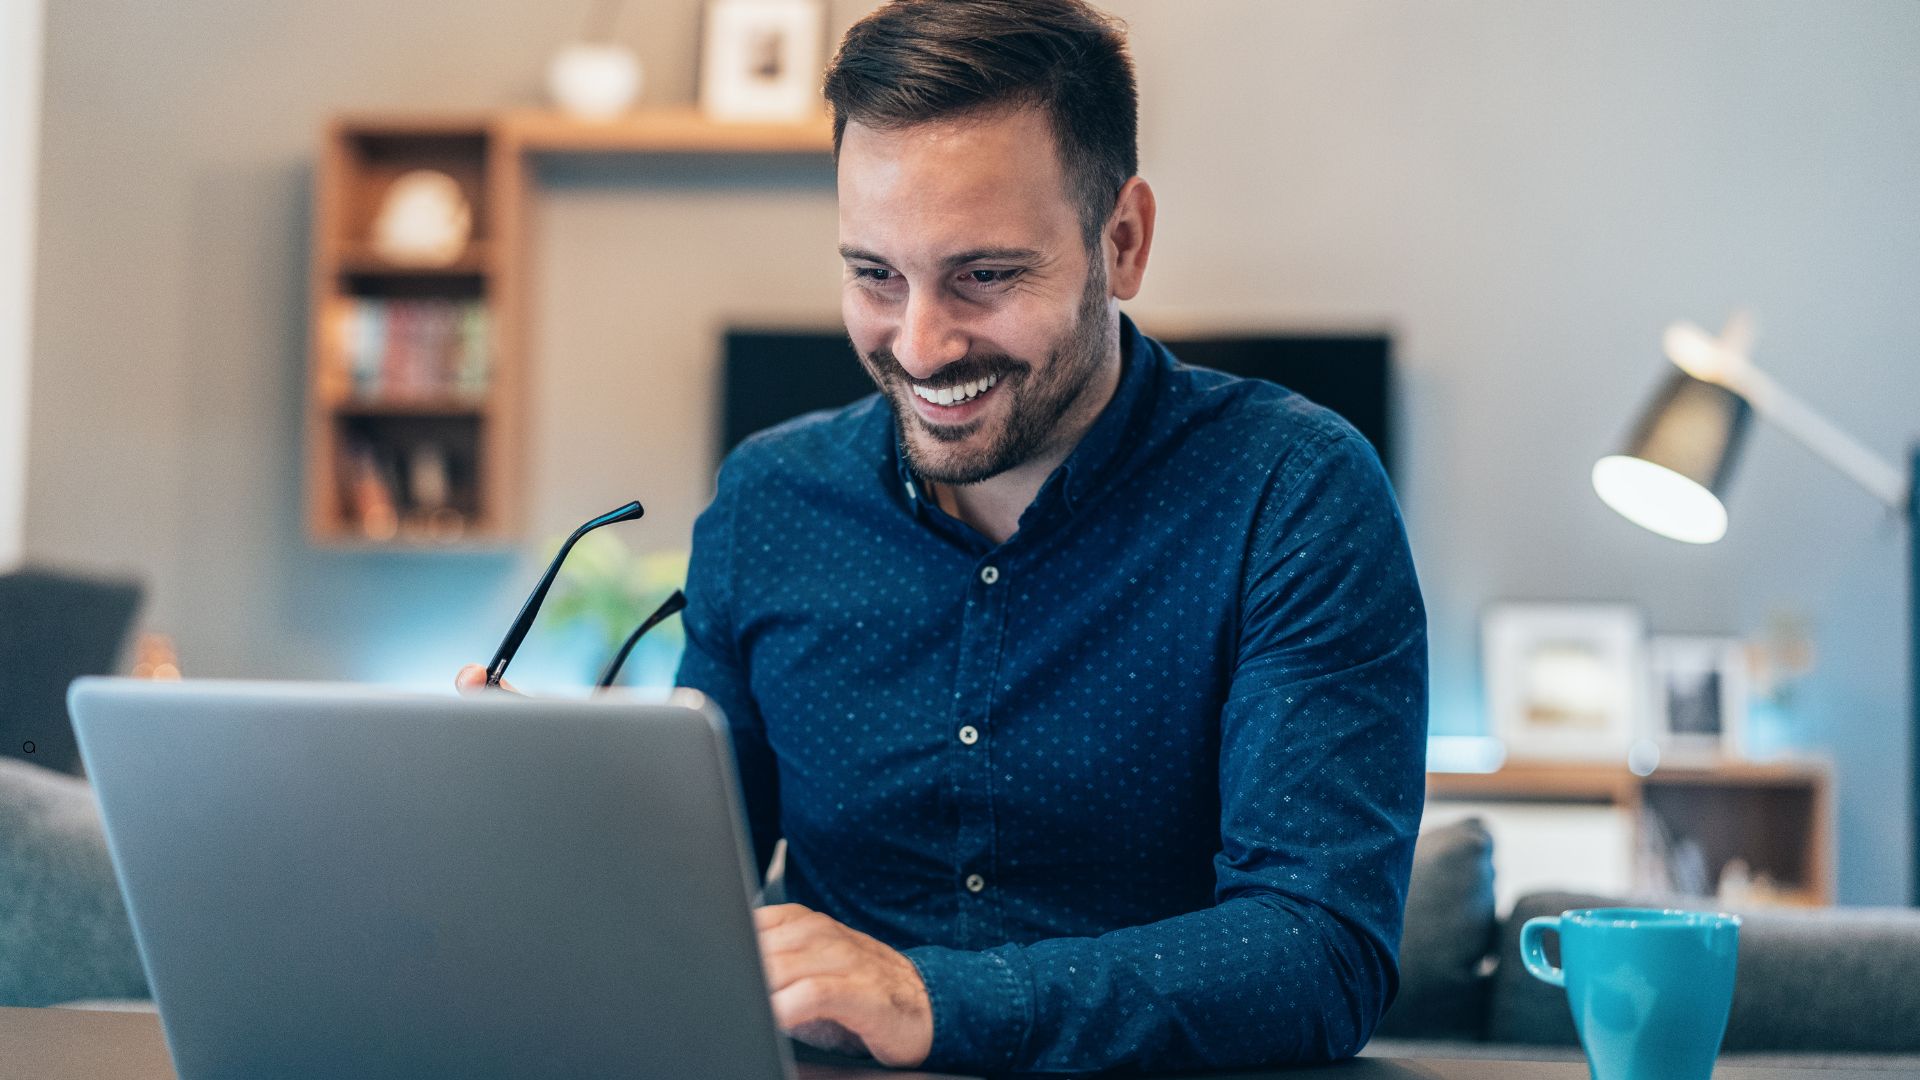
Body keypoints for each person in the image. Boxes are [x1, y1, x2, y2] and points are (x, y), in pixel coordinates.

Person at [462, 0, 1427, 1072]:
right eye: (875, 275)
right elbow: (695, 895)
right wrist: (542, 822)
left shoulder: (1292, 492)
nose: (919, 345)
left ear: (1124, 239)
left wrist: (932, 999)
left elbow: (1319, 951)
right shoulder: (769, 502)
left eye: (986, 276)